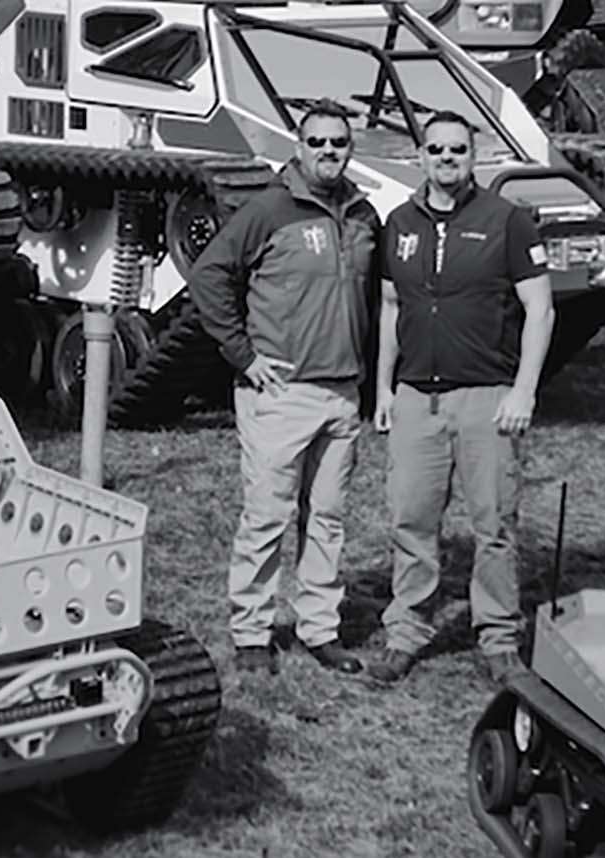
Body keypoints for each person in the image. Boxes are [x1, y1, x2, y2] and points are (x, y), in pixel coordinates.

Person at [189, 100, 381, 676]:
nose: (328, 152)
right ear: (298, 147)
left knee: (327, 518)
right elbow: (209, 275)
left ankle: (319, 628)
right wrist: (243, 355)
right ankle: (252, 632)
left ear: (349, 149)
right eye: (317, 142)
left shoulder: (364, 214)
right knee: (267, 517)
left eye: (338, 143)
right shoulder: (268, 210)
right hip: (281, 393)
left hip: (342, 392)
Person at [366, 111, 555, 685]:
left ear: (474, 157)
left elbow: (541, 310)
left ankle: (498, 637)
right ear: (419, 157)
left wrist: (523, 390)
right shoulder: (397, 222)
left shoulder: (509, 222)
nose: (447, 159)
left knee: (494, 523)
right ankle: (406, 633)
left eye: (458, 150)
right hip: (415, 400)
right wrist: (383, 388)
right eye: (437, 150)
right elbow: (391, 308)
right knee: (411, 520)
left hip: (486, 398)